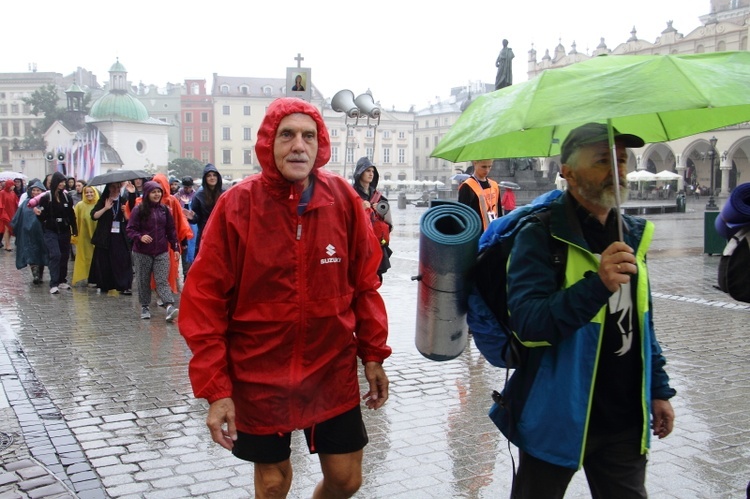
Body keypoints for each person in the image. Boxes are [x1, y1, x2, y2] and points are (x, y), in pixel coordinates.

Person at [178, 97, 391, 499]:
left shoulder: (342, 199)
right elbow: (203, 301)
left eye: (308, 136)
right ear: (268, 144)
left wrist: (373, 354)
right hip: (259, 371)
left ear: (320, 143)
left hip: (330, 368)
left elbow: (364, 283)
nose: (299, 145)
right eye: (287, 135)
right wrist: (217, 389)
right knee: (273, 483)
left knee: (347, 479)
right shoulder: (238, 205)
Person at [499, 123, 676, 498]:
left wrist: (658, 389)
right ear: (568, 170)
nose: (619, 169)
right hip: (559, 415)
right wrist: (597, 285)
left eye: (623, 160)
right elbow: (528, 324)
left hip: (625, 417)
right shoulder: (540, 235)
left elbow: (644, 322)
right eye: (603, 160)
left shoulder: (632, 234)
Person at [126, 181, 180, 322]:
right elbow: (130, 229)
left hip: (161, 251)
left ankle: (169, 306)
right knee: (143, 280)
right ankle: (145, 306)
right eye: (153, 192)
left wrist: (175, 247)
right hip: (142, 252)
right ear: (147, 193)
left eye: (159, 192)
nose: (157, 195)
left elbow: (171, 230)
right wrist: (140, 237)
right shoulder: (138, 209)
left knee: (162, 280)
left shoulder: (164, 210)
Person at [28, 171, 78, 294]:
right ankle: (54, 283)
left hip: (65, 230)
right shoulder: (46, 198)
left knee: (64, 255)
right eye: (60, 182)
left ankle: (62, 280)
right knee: (55, 255)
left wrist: (74, 229)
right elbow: (43, 216)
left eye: (64, 182)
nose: (62, 184)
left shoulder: (67, 197)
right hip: (51, 230)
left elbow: (71, 214)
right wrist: (38, 214)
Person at [353, 157, 393, 281]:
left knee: (375, 281)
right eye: (367, 171)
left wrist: (380, 213)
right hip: (359, 246)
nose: (371, 174)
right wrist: (360, 208)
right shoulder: (350, 194)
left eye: (373, 171)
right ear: (360, 173)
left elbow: (389, 225)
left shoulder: (379, 197)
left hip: (377, 246)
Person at [89, 182, 133, 295]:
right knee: (104, 260)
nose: (116, 189)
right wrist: (105, 208)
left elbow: (130, 220)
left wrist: (125, 213)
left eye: (118, 187)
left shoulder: (123, 200)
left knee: (122, 259)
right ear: (109, 188)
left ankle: (123, 285)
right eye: (114, 187)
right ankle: (105, 284)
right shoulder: (104, 199)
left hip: (119, 234)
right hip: (105, 234)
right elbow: (94, 216)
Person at [10, 180, 48, 284]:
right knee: (31, 253)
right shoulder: (25, 203)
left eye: (38, 190)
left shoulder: (46, 202)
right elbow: (18, 218)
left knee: (41, 253)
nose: (35, 192)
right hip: (28, 234)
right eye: (34, 190)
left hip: (42, 233)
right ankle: (35, 275)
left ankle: (40, 274)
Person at [188, 163, 226, 258]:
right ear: (205, 178)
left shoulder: (225, 194)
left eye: (214, 175)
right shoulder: (199, 196)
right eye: (209, 175)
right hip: (205, 233)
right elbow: (196, 218)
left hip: (222, 233)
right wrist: (191, 217)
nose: (212, 178)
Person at [457, 159, 500, 232]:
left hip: (494, 231)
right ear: (475, 163)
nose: (487, 170)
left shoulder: (494, 185)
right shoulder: (467, 186)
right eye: (484, 167)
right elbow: (462, 215)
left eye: (490, 166)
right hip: (476, 233)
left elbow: (498, 209)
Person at [71, 185, 99, 286]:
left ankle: (97, 277)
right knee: (86, 257)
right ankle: (89, 277)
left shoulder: (99, 204)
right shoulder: (80, 205)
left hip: (97, 236)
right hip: (85, 236)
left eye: (91, 192)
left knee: (97, 257)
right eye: (86, 192)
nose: (89, 194)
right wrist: (74, 235)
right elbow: (75, 220)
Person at [177, 176, 196, 279]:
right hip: (181, 225)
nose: (187, 189)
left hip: (193, 226)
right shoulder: (177, 196)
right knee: (183, 250)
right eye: (185, 187)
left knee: (191, 250)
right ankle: (185, 274)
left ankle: (189, 274)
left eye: (189, 187)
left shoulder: (196, 195)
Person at [0, 180, 19, 251]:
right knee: (6, 229)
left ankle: (6, 244)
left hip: (12, 213)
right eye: (12, 185)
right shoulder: (2, 193)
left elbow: (16, 202)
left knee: (10, 229)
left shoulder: (13, 193)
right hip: (5, 213)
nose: (13, 186)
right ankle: (8, 244)